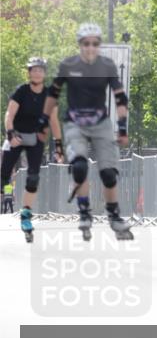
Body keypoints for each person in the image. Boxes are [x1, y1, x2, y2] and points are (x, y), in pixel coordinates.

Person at [40, 23, 133, 240]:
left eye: (94, 44)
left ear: (98, 45)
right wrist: (43, 121)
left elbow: (120, 99)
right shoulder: (68, 65)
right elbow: (52, 96)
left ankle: (114, 216)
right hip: (75, 123)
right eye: (86, 44)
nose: (90, 48)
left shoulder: (107, 65)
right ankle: (84, 212)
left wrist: (122, 128)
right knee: (80, 166)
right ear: (80, 45)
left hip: (100, 123)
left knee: (109, 173)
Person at [2, 57, 63, 241]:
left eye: (40, 70)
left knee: (33, 177)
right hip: (17, 136)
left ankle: (26, 215)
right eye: (33, 70)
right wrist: (11, 134)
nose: (36, 73)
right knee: (4, 175)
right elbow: (9, 114)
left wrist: (59, 145)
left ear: (44, 73)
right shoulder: (21, 91)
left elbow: (54, 121)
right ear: (29, 73)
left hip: (36, 138)